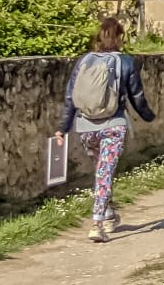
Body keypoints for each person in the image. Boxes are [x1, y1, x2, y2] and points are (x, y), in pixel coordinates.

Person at [56, 16, 155, 244]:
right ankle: (97, 223)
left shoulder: (84, 60)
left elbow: (71, 97)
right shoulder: (126, 62)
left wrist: (63, 128)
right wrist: (148, 116)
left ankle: (109, 213)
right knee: (105, 173)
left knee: (102, 172)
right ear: (119, 37)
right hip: (113, 125)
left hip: (86, 127)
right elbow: (136, 96)